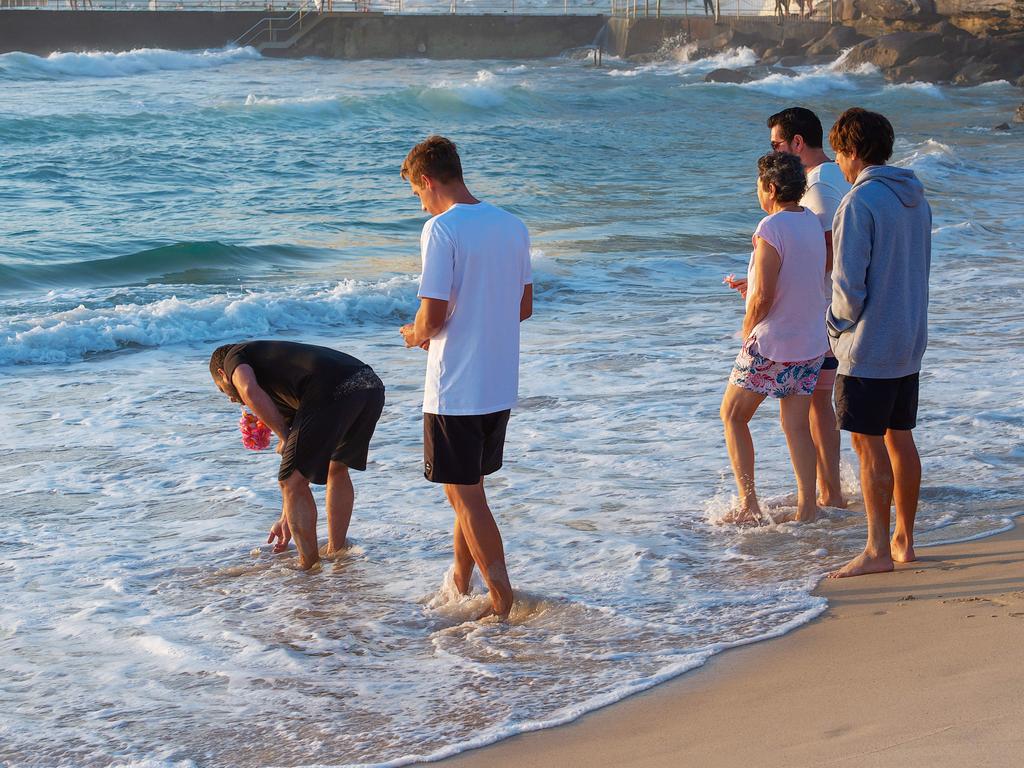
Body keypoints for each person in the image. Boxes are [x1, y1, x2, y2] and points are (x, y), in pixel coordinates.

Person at [398, 136, 532, 619]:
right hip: (499, 381)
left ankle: (501, 603)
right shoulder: (512, 224)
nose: (420, 202)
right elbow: (524, 306)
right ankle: (460, 581)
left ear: (428, 181)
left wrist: (414, 335)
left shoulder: (441, 229)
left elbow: (431, 316)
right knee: (468, 486)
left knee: (465, 495)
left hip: (456, 383)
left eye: (417, 193)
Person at [825, 108, 931, 578]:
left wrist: (832, 326)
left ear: (851, 152)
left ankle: (875, 551)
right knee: (900, 438)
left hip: (869, 344)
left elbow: (848, 290)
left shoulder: (858, 202)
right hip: (909, 336)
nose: (839, 164)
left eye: (839, 155)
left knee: (869, 448)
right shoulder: (915, 196)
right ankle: (903, 541)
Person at [209, 340, 385, 570]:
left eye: (224, 390)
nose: (232, 399)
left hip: (331, 388)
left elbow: (249, 389)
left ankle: (309, 567)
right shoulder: (284, 383)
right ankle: (337, 550)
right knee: (336, 468)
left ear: (223, 373)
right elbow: (298, 463)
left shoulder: (233, 356)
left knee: (290, 481)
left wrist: (282, 435)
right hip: (369, 385)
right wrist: (285, 517)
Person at [721, 152, 829, 525]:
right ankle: (808, 507)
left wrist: (747, 328)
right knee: (796, 425)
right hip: (812, 340)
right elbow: (799, 275)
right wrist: (752, 287)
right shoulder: (812, 223)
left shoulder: (770, 227)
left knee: (733, 415)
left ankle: (749, 505)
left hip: (774, 342)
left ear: (770, 187)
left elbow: (765, 297)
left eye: (758, 185)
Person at [767, 106, 852, 509]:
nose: (775, 153)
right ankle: (827, 491)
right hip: (834, 309)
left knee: (815, 406)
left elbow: (828, 250)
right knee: (820, 404)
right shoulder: (836, 172)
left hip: (821, 312)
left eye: (778, 145)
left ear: (797, 143)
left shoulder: (816, 187)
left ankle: (828, 493)